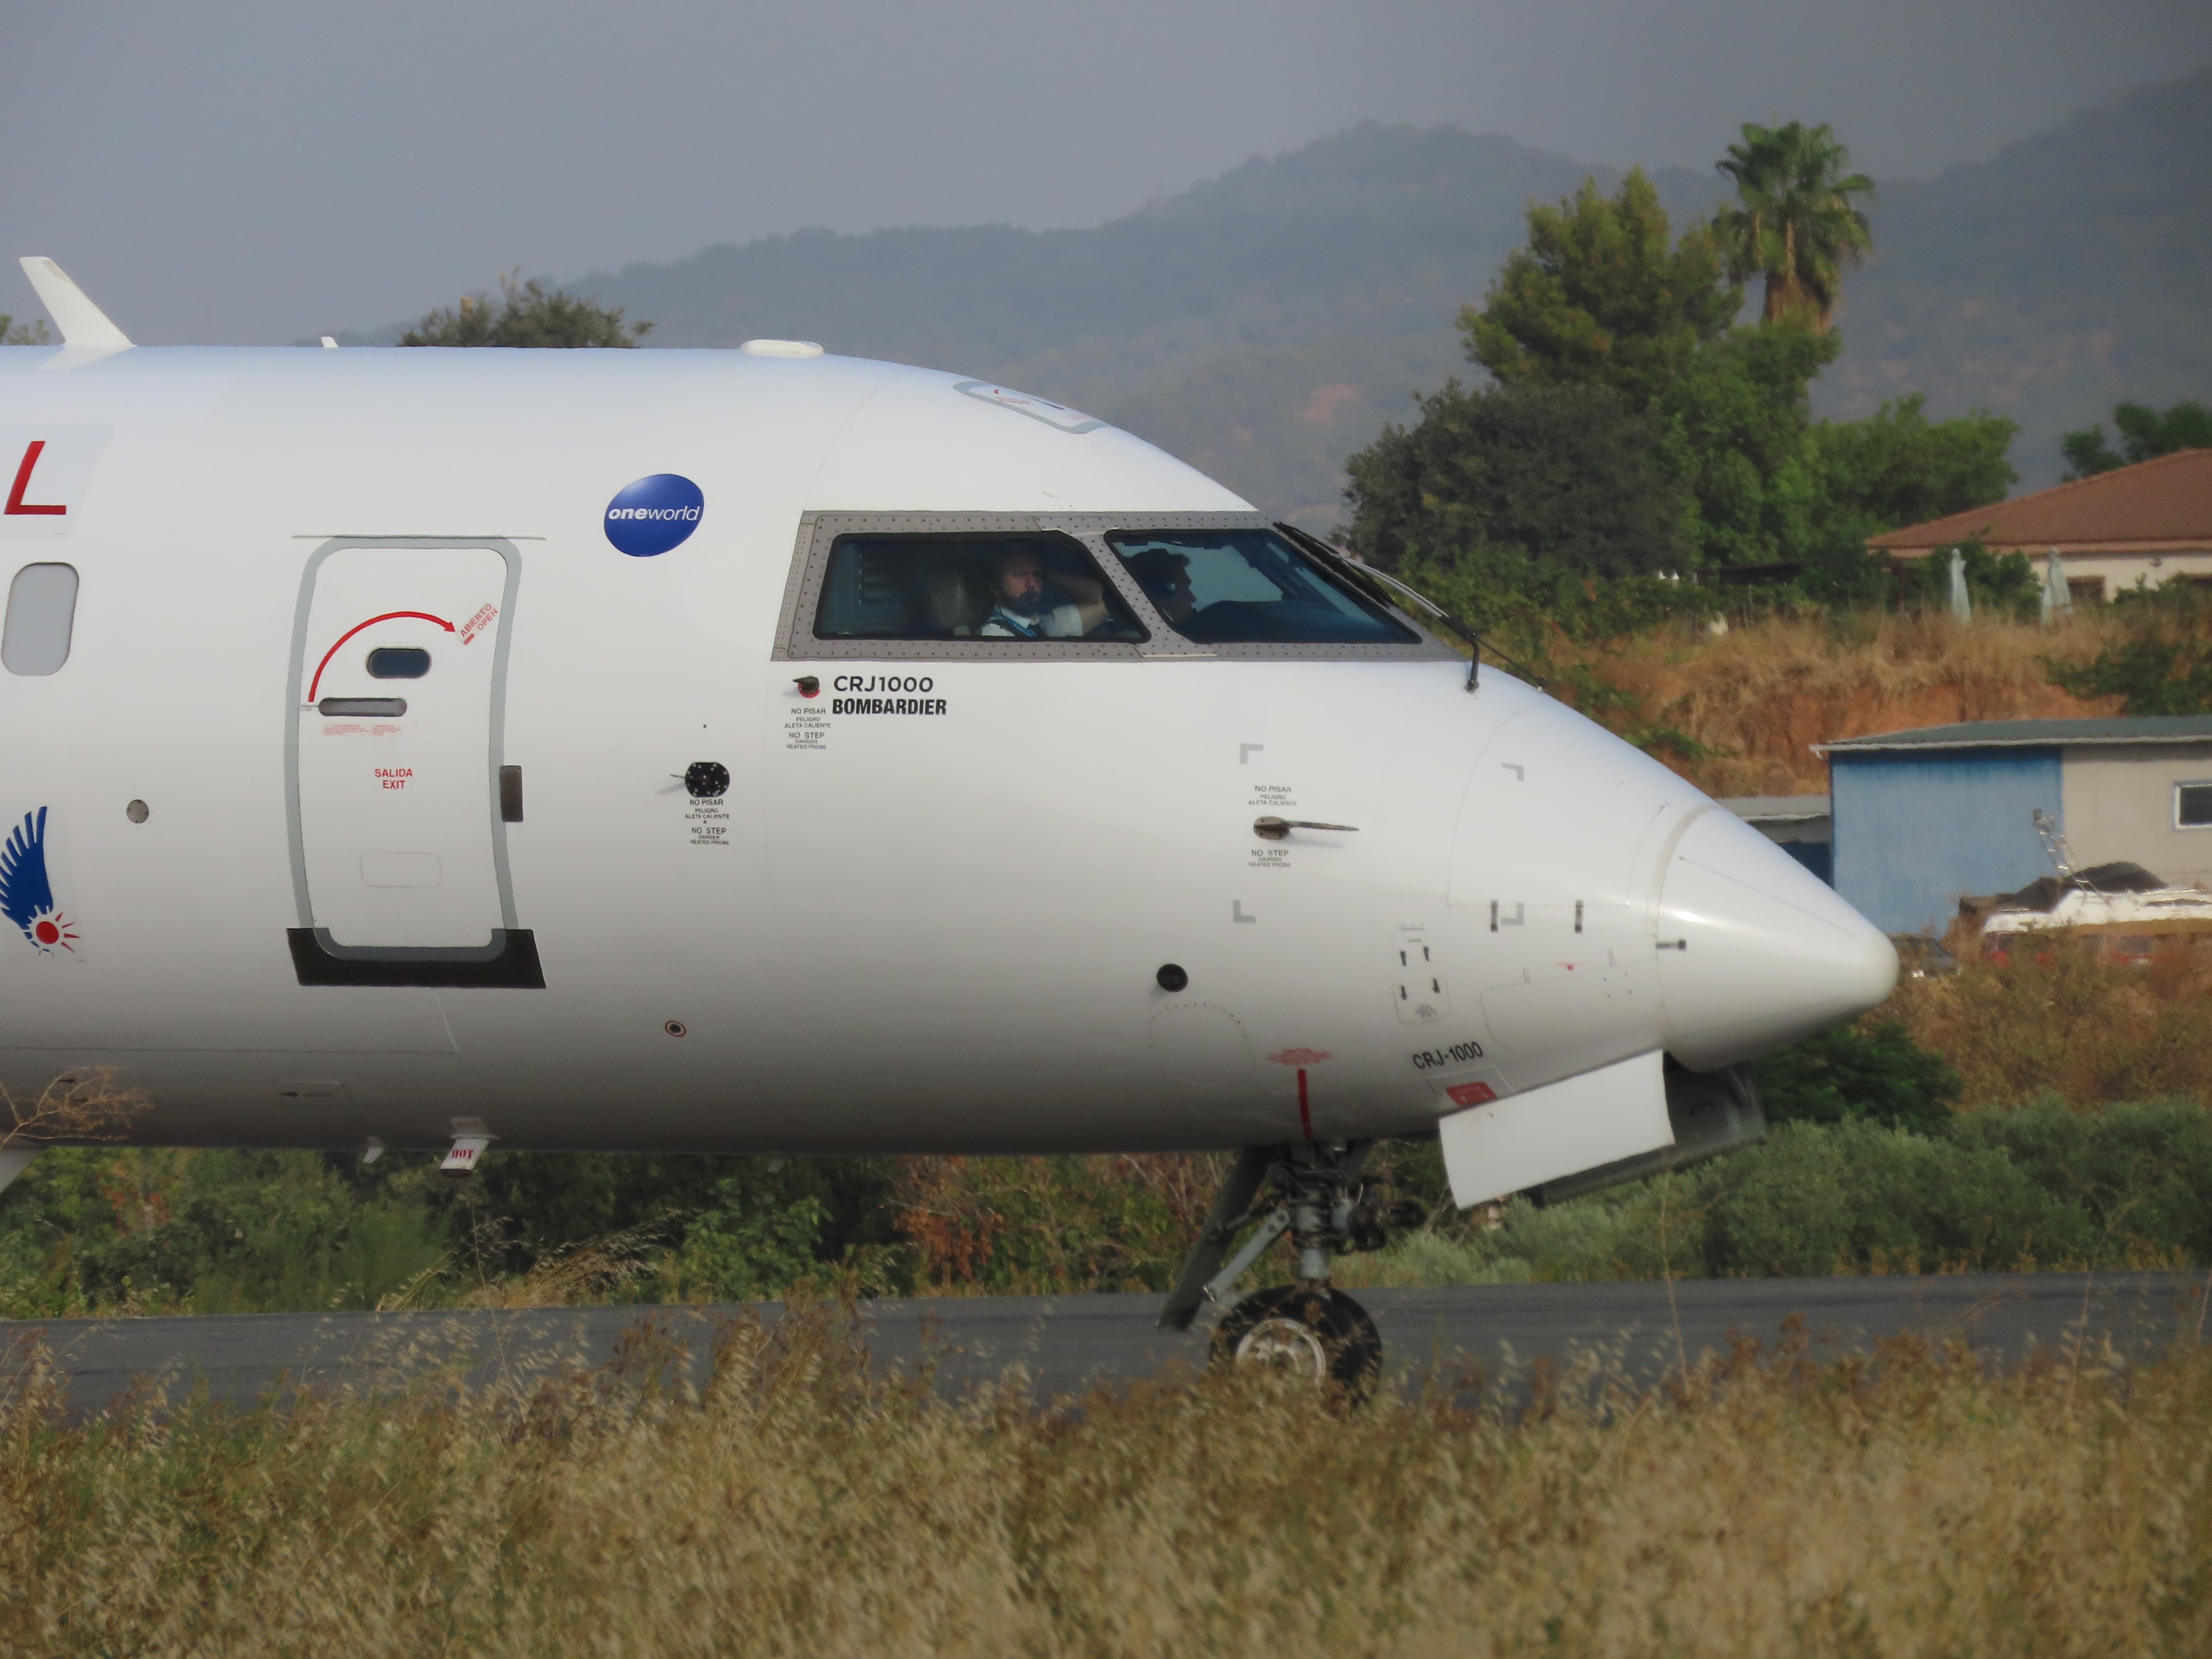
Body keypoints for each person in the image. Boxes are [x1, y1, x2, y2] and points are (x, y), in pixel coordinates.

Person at [977, 546, 1111, 638]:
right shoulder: (995, 635)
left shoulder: (1044, 626)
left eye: (1037, 575)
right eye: (1019, 574)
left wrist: (1048, 575)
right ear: (995, 587)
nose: (1032, 583)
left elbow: (1105, 602)